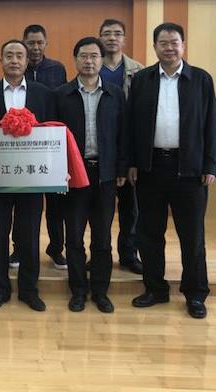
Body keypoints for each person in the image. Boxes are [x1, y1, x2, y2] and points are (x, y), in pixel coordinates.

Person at [128, 23, 216, 319]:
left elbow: (211, 124)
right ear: (155, 46)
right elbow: (131, 125)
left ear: (183, 45)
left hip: (190, 170)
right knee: (149, 233)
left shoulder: (201, 79)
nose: (169, 48)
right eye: (163, 43)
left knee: (192, 236)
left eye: (174, 42)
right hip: (151, 167)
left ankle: (195, 294)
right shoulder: (142, 79)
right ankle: (155, 289)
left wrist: (210, 164)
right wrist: (131, 162)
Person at [0, 39, 57, 312]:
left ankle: (29, 290)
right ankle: (0, 288)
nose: (14, 60)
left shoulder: (43, 94)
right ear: (0, 60)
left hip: (32, 178)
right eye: (8, 55)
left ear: (27, 61)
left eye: (19, 55)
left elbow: (52, 134)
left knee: (29, 235)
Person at [56, 37, 127, 313]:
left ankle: (100, 291)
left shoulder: (115, 93)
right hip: (74, 175)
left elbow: (124, 134)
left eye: (94, 56)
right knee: (74, 237)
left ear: (102, 60)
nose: (89, 61)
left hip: (105, 175)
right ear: (75, 59)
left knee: (102, 238)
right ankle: (78, 291)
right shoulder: (61, 95)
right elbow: (53, 138)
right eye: (84, 56)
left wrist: (121, 168)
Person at [99, 18, 144, 274]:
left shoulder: (139, 71)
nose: (112, 38)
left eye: (117, 33)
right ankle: (100, 254)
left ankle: (129, 254)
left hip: (130, 148)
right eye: (107, 34)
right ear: (100, 38)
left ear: (124, 39)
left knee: (130, 207)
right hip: (102, 148)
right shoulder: (92, 66)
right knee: (100, 209)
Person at [22, 24, 67, 270]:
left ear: (46, 43)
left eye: (40, 42)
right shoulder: (18, 68)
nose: (35, 47)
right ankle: (19, 249)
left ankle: (56, 248)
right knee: (23, 202)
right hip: (22, 147)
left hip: (50, 144)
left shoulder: (57, 69)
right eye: (31, 43)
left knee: (55, 203)